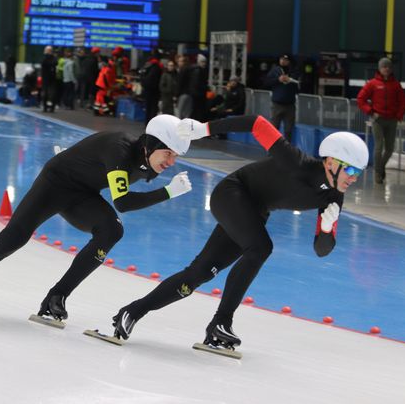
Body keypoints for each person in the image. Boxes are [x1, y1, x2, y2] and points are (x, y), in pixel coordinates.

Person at [112, 115, 369, 351]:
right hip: (233, 193)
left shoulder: (334, 197)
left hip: (254, 211)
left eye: (359, 173)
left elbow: (321, 250)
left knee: (199, 274)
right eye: (351, 170)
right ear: (332, 162)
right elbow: (257, 124)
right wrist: (204, 129)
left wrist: (326, 230)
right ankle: (222, 322)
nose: (354, 178)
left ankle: (132, 312)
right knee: (260, 248)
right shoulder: (297, 163)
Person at [0, 115, 194, 322]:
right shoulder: (119, 149)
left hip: (82, 193)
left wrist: (80, 160)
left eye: (176, 156)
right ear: (150, 144)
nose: (171, 162)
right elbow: (123, 202)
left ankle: (56, 297)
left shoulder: (149, 162)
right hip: (55, 184)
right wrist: (168, 193)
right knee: (11, 240)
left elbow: (112, 181)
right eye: (168, 153)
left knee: (111, 231)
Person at [356, 57, 405, 184]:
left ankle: (380, 167)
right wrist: (370, 111)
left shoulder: (395, 85)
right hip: (377, 120)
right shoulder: (372, 84)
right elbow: (360, 99)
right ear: (380, 68)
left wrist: (399, 115)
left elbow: (402, 102)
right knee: (379, 146)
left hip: (392, 120)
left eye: (389, 67)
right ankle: (378, 173)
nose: (387, 69)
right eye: (384, 67)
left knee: (390, 148)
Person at [265, 54, 299, 142]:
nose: (283, 61)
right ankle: (272, 149)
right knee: (274, 128)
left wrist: (290, 80)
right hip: (277, 104)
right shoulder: (275, 70)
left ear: (289, 61)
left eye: (285, 60)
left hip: (290, 105)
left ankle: (287, 150)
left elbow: (299, 85)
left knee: (288, 130)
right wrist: (278, 80)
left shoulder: (294, 71)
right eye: (281, 59)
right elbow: (266, 82)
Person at [41, 45, 56, 112]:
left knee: (51, 94)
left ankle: (50, 107)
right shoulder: (46, 58)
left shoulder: (52, 58)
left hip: (50, 78)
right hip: (46, 78)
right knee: (46, 94)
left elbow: (54, 63)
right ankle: (46, 107)